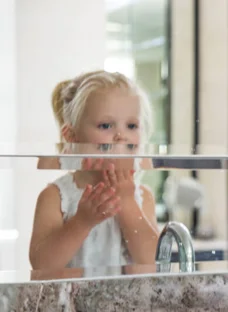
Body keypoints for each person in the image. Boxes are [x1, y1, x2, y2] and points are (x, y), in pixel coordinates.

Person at [29, 70, 159, 272]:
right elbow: (41, 264)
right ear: (72, 136)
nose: (121, 135)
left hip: (126, 304)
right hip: (72, 304)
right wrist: (82, 221)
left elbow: (152, 259)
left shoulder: (142, 197)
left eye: (131, 125)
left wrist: (127, 202)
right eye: (106, 125)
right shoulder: (56, 197)